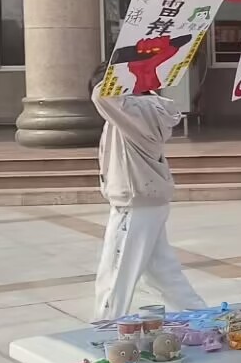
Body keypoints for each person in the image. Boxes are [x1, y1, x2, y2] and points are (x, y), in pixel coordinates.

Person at [89, 63, 207, 321]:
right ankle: (199, 316)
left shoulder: (134, 112)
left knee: (116, 273)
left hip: (135, 204)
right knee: (163, 273)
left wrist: (125, 67)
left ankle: (104, 326)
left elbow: (101, 95)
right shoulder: (151, 108)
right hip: (148, 201)